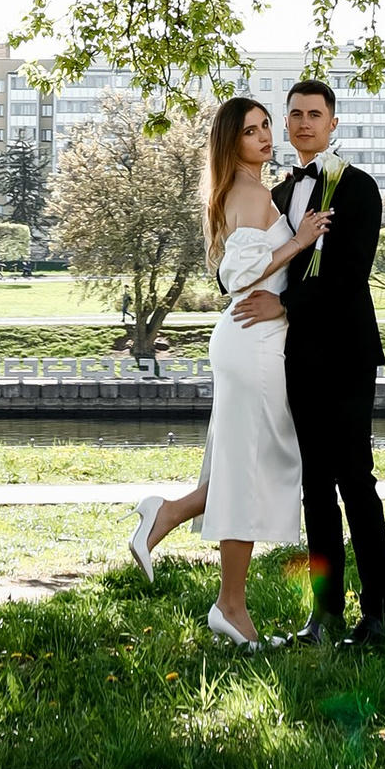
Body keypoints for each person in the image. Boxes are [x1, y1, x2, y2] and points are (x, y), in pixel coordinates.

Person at [126, 97, 323, 646]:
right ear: (230, 142)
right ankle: (229, 604)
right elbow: (238, 275)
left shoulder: (244, 190)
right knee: (252, 469)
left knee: (247, 465)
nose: (265, 137)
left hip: (253, 339)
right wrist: (300, 241)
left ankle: (172, 522)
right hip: (253, 340)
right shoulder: (249, 192)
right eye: (251, 131)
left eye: (266, 127)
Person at [272, 76, 385, 648]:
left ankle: (378, 616)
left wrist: (282, 303)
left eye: (314, 114)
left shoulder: (359, 188)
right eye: (294, 113)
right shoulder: (278, 196)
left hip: (346, 355)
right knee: (314, 488)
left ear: (333, 123)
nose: (303, 123)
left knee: (356, 483)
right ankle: (324, 617)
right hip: (296, 358)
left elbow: (349, 278)